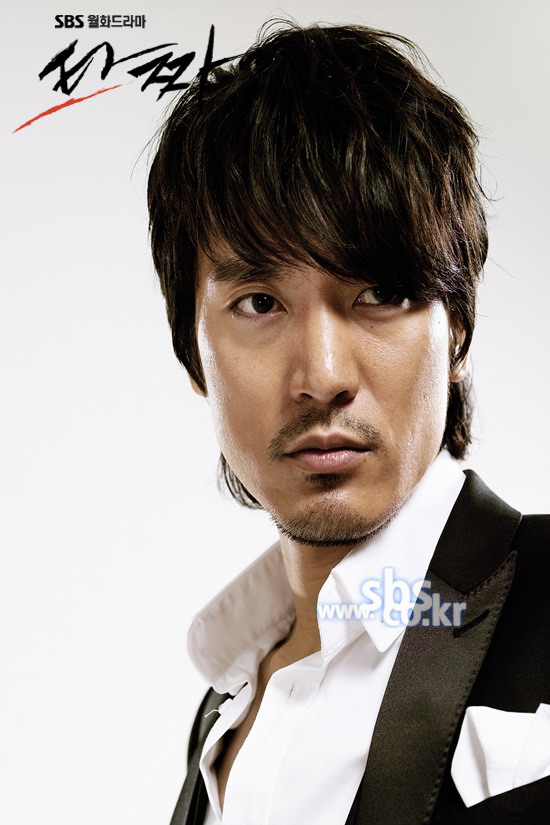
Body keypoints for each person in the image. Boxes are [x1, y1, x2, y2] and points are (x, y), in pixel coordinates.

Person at [147, 22, 550, 825]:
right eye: (259, 302)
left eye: (380, 294)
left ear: (457, 328)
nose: (323, 375)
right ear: (193, 354)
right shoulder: (226, 707)